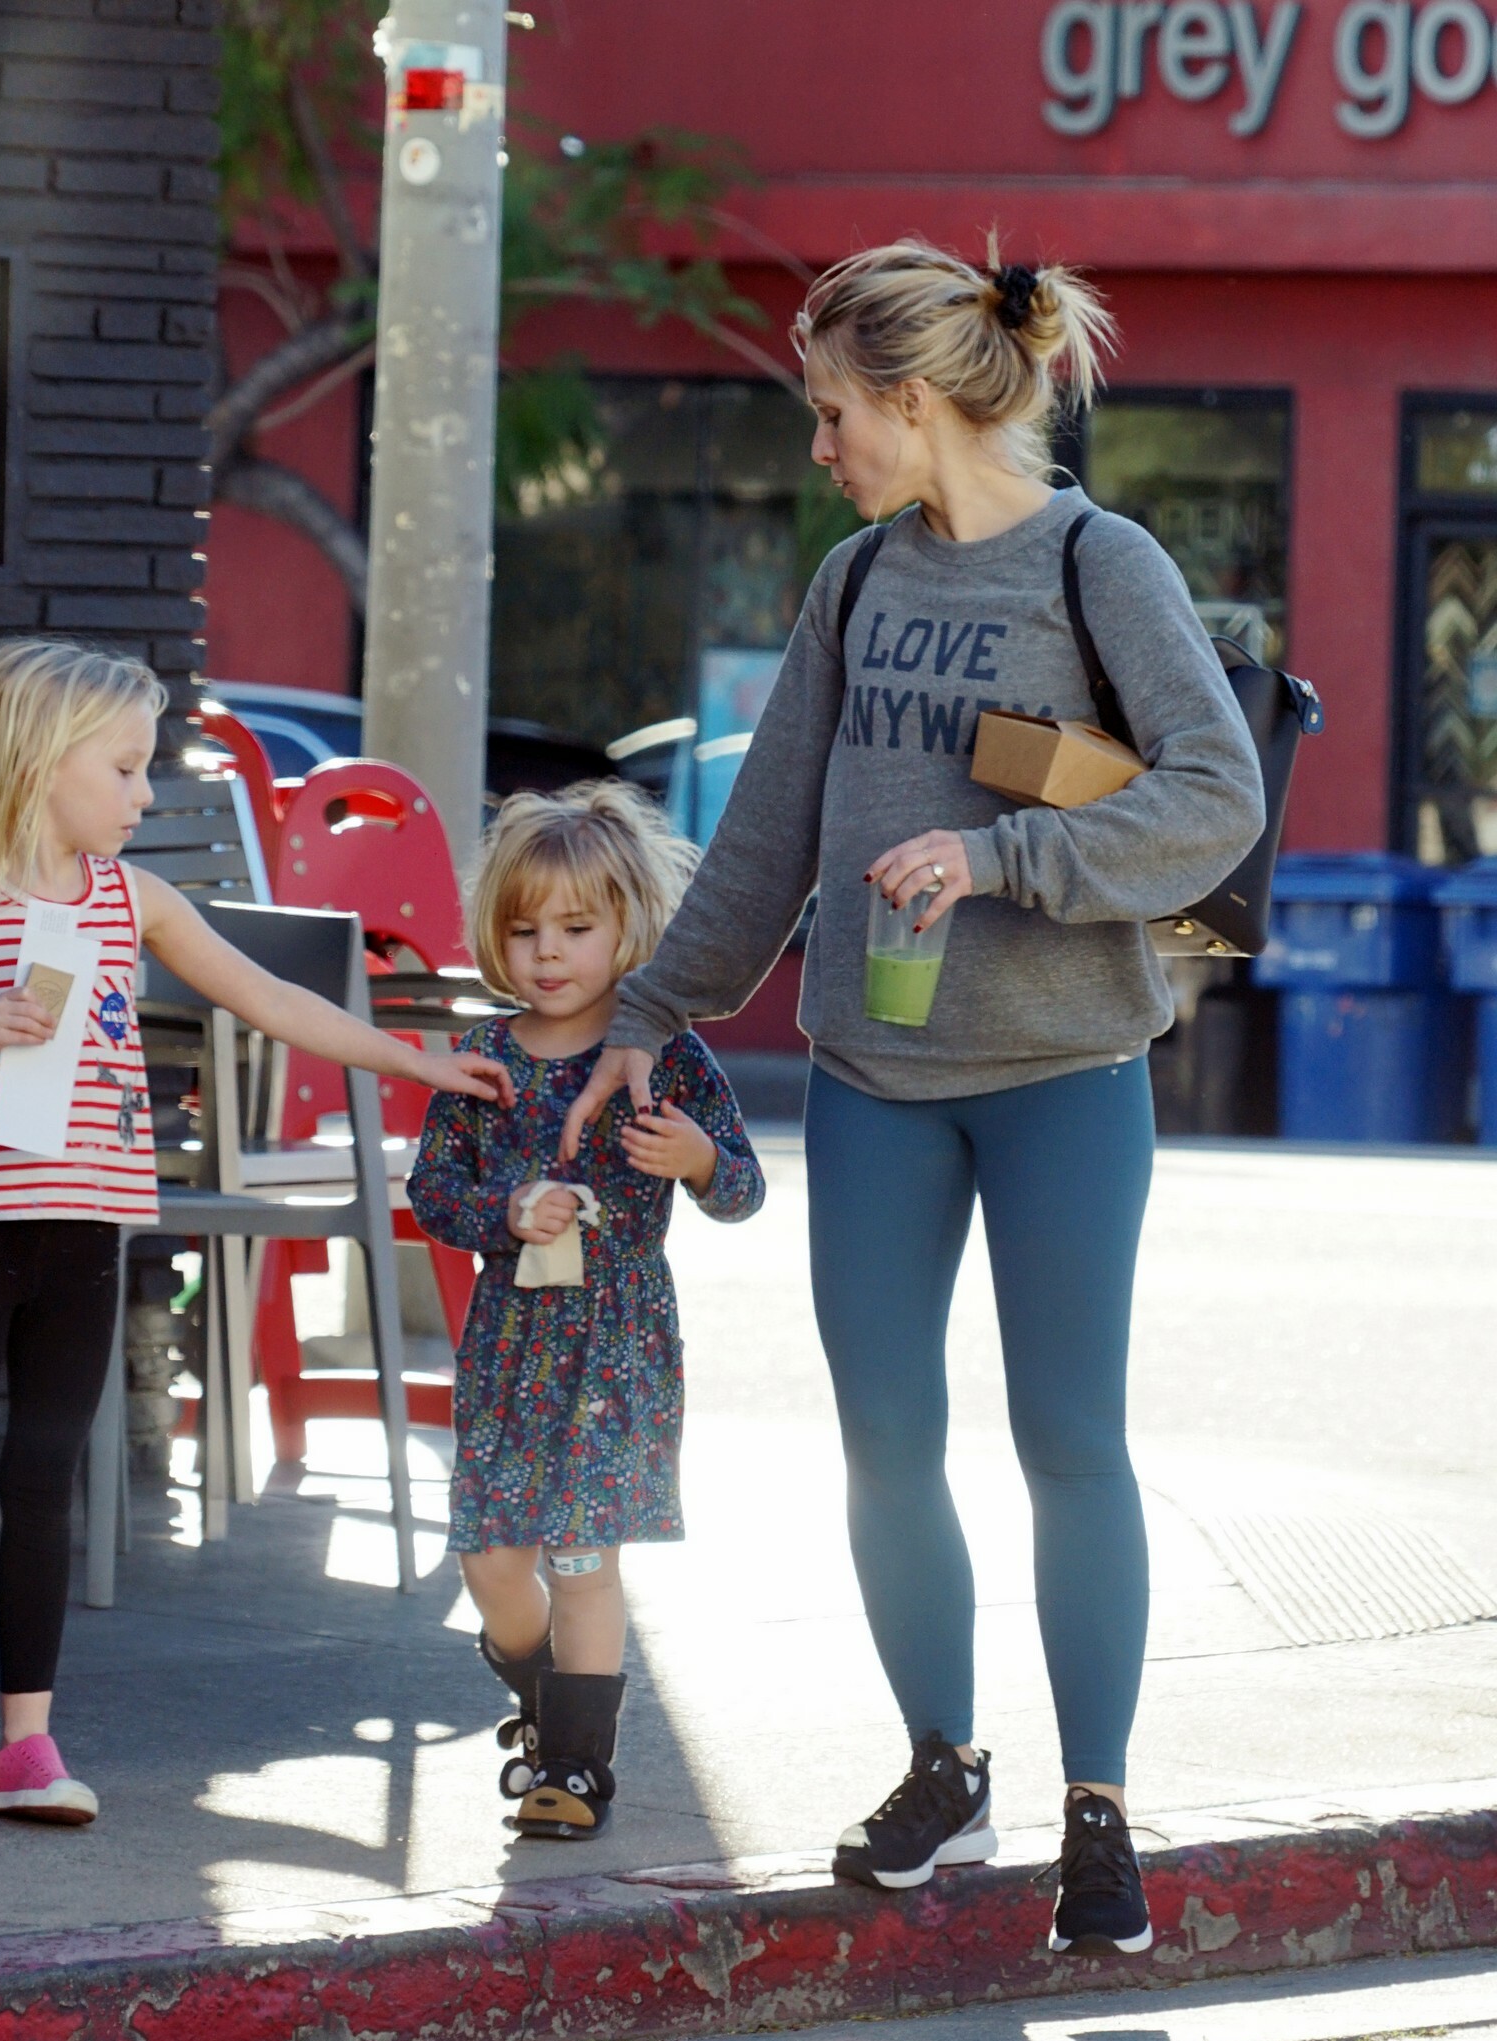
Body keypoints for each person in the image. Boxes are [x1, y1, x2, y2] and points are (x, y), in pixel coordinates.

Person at [561, 241, 1266, 1952]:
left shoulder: (1100, 562)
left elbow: (1216, 794)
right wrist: (651, 1004)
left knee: (1066, 1438)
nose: (820, 449)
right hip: (875, 1078)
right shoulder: (858, 580)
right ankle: (943, 1761)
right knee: (884, 1438)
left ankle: (1099, 1810)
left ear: (917, 400)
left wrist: (1006, 852)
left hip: (1064, 1072)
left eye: (833, 416)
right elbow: (769, 832)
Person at [0, 639, 515, 1826]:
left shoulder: (134, 900)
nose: (144, 794)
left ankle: (23, 1743)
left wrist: (417, 1062)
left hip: (87, 1235)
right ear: (40, 760)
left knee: (45, 1480)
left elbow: (273, 999)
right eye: (126, 768)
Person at [407, 783, 763, 1840]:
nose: (548, 952)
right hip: (509, 1347)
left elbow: (742, 1189)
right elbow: (434, 1191)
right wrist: (506, 1209)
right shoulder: (486, 1057)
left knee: (583, 1557)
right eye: (525, 930)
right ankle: (544, 1695)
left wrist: (696, 1157)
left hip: (617, 1346)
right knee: (492, 1562)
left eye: (574, 927)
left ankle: (572, 1765)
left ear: (628, 928)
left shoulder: (667, 1052)